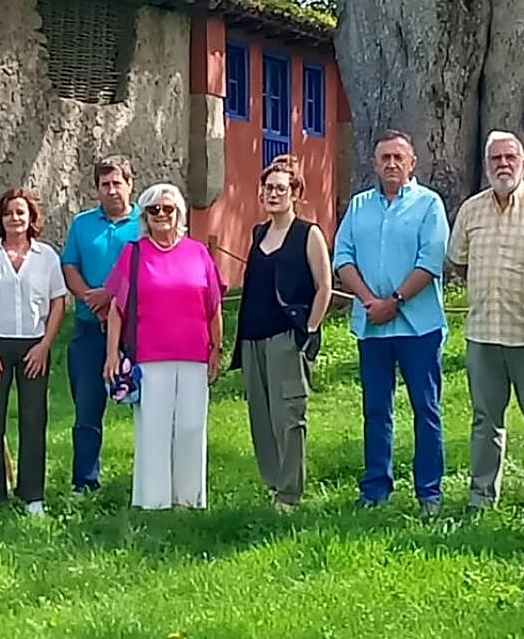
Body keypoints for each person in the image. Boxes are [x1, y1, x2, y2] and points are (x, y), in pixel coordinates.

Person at [448, 131, 524, 524]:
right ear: (486, 166)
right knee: (485, 420)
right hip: (484, 333)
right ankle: (481, 496)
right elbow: (459, 261)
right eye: (496, 158)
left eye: (510, 157)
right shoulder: (471, 210)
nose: (503, 164)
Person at [333, 130, 450, 515]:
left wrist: (395, 300)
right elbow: (342, 256)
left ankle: (429, 493)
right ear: (374, 163)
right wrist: (370, 301)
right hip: (373, 326)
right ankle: (375, 489)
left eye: (399, 157)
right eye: (385, 157)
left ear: (412, 162)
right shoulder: (359, 205)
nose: (392, 164)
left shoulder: (429, 204)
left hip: (418, 326)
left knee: (426, 408)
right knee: (376, 409)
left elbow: (430, 261)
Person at [103, 183, 225, 510]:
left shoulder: (198, 252)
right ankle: (153, 501)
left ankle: (189, 499)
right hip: (150, 356)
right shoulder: (134, 253)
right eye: (153, 210)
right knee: (153, 430)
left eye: (167, 209)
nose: (161, 215)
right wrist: (112, 354)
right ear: (144, 216)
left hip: (194, 355)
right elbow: (117, 308)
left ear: (179, 213)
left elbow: (213, 306)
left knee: (191, 427)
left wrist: (217, 349)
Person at [233, 158, 333, 511]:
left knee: (289, 417)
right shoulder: (259, 233)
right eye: (268, 187)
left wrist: (309, 331)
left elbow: (324, 287)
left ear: (295, 194)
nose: (272, 193)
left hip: (287, 340)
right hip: (252, 340)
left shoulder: (308, 233)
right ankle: (273, 484)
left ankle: (290, 493)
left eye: (280, 188)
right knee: (261, 417)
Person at [0, 188, 67, 516]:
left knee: (34, 419)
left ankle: (32, 495)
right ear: (1, 218)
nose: (15, 219)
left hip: (34, 346)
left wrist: (45, 346)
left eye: (21, 213)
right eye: (9, 213)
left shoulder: (46, 257)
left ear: (31, 218)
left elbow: (58, 303)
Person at [61, 155, 139, 494]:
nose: (111, 191)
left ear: (129, 185)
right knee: (87, 410)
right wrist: (92, 301)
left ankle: (148, 482)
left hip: (137, 331)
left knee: (146, 408)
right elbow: (69, 267)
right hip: (89, 329)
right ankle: (85, 482)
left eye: (116, 183)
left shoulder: (144, 222)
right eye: (104, 185)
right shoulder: (82, 224)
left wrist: (113, 298)